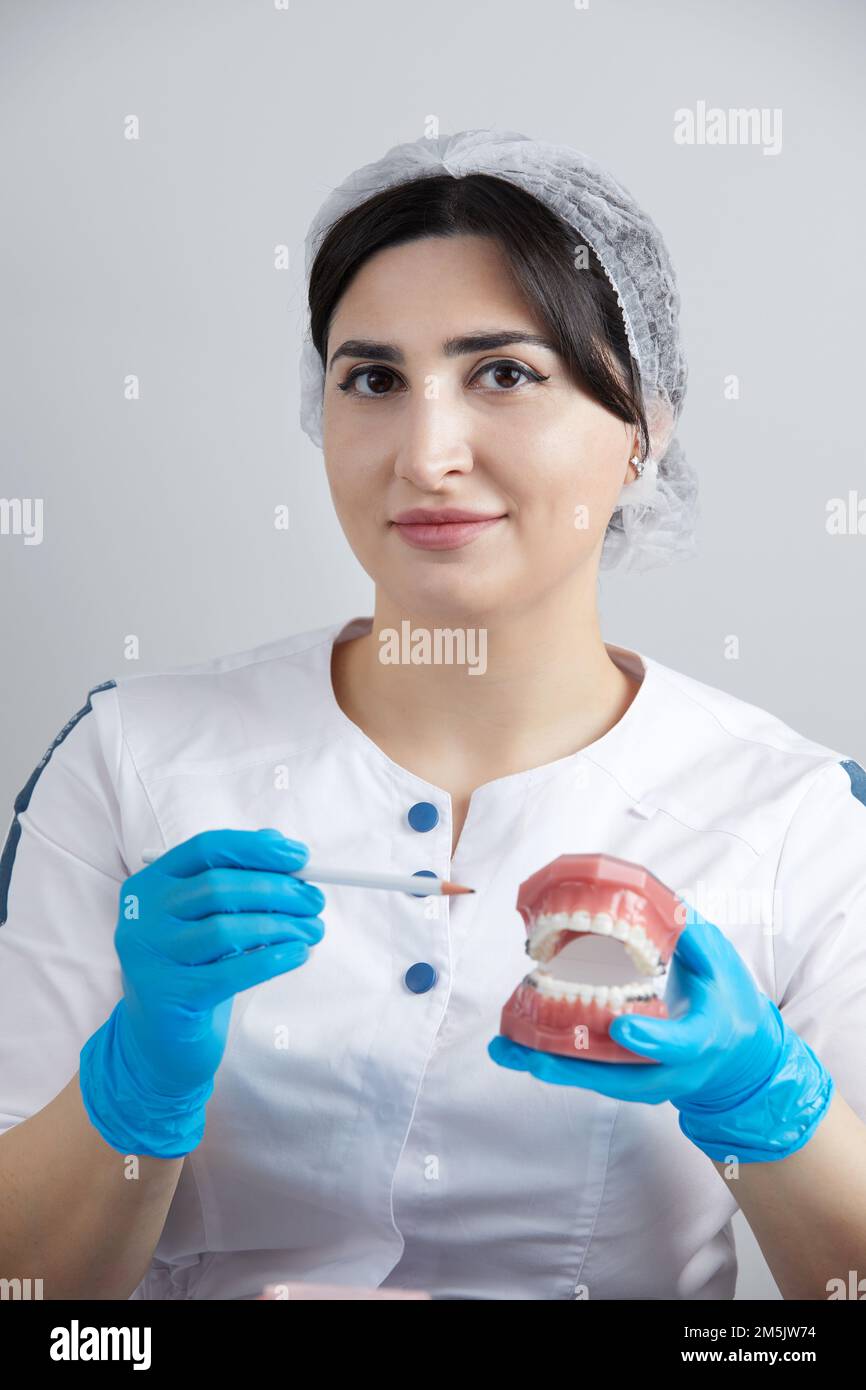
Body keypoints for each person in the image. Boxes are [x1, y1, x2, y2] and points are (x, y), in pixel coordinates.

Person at [1, 129, 865, 1302]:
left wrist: (767, 1104)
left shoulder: (792, 818)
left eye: (503, 373)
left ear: (644, 427)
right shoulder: (134, 759)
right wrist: (131, 1085)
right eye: (371, 379)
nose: (425, 452)